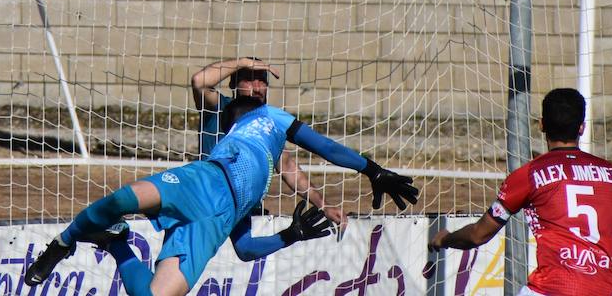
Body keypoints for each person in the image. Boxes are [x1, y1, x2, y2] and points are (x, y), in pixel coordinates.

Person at [24, 94, 420, 295]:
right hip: (204, 181)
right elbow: (327, 148)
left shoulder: (261, 176)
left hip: (219, 219)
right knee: (119, 201)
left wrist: (290, 235)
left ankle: (115, 243)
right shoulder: (266, 118)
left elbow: (245, 249)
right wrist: (372, 169)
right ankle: (63, 242)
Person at [427, 88, 612, 295]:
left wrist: (445, 238)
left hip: (551, 289)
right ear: (581, 128)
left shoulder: (528, 175)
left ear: (541, 125)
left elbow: (479, 235)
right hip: (601, 291)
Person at [191, 57, 346, 228]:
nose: (257, 87)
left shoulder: (269, 123)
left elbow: (289, 168)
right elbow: (199, 82)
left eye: (262, 81)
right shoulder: (218, 107)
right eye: (249, 80)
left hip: (246, 216)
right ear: (233, 85)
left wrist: (323, 205)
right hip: (210, 211)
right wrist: (243, 62)